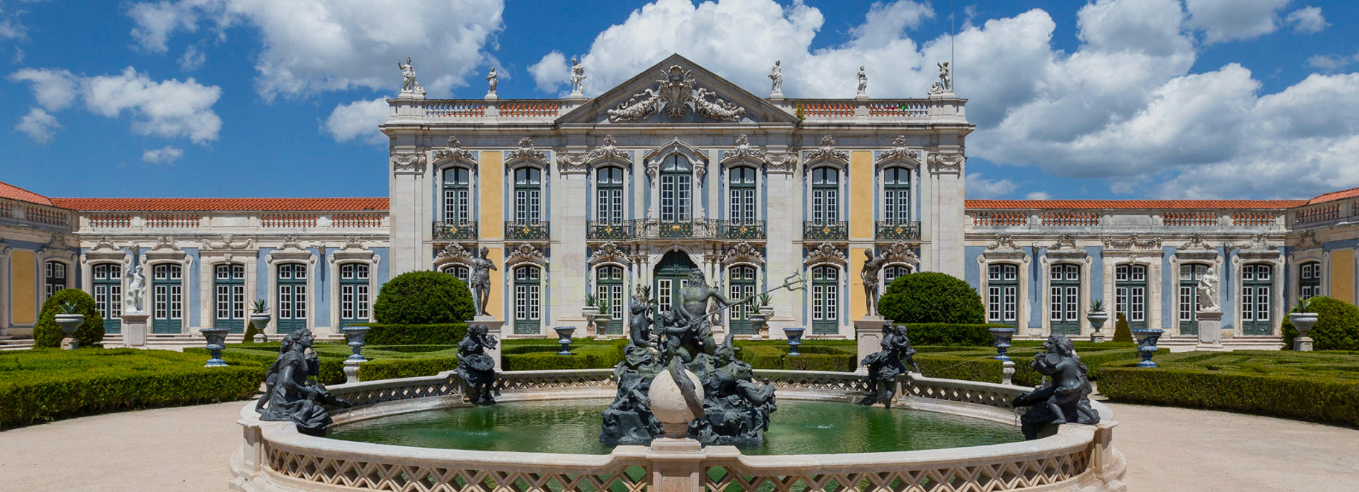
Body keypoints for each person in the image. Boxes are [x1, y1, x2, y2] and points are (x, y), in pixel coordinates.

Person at [257, 328, 349, 436]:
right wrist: (306, 390)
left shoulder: (299, 355)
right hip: (284, 401)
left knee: (319, 411)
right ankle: (308, 439)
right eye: (307, 336)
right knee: (320, 414)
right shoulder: (292, 356)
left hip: (292, 397)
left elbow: (301, 374)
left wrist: (312, 363)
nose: (311, 338)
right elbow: (286, 381)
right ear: (298, 340)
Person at [470, 246, 496, 316]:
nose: (486, 254)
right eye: (485, 253)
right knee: (479, 295)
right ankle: (479, 311)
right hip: (478, 279)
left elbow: (495, 268)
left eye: (487, 253)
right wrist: (471, 278)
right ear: (482, 253)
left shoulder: (489, 261)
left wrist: (490, 265)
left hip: (486, 280)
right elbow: (474, 270)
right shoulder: (477, 261)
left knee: (486, 295)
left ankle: (483, 310)